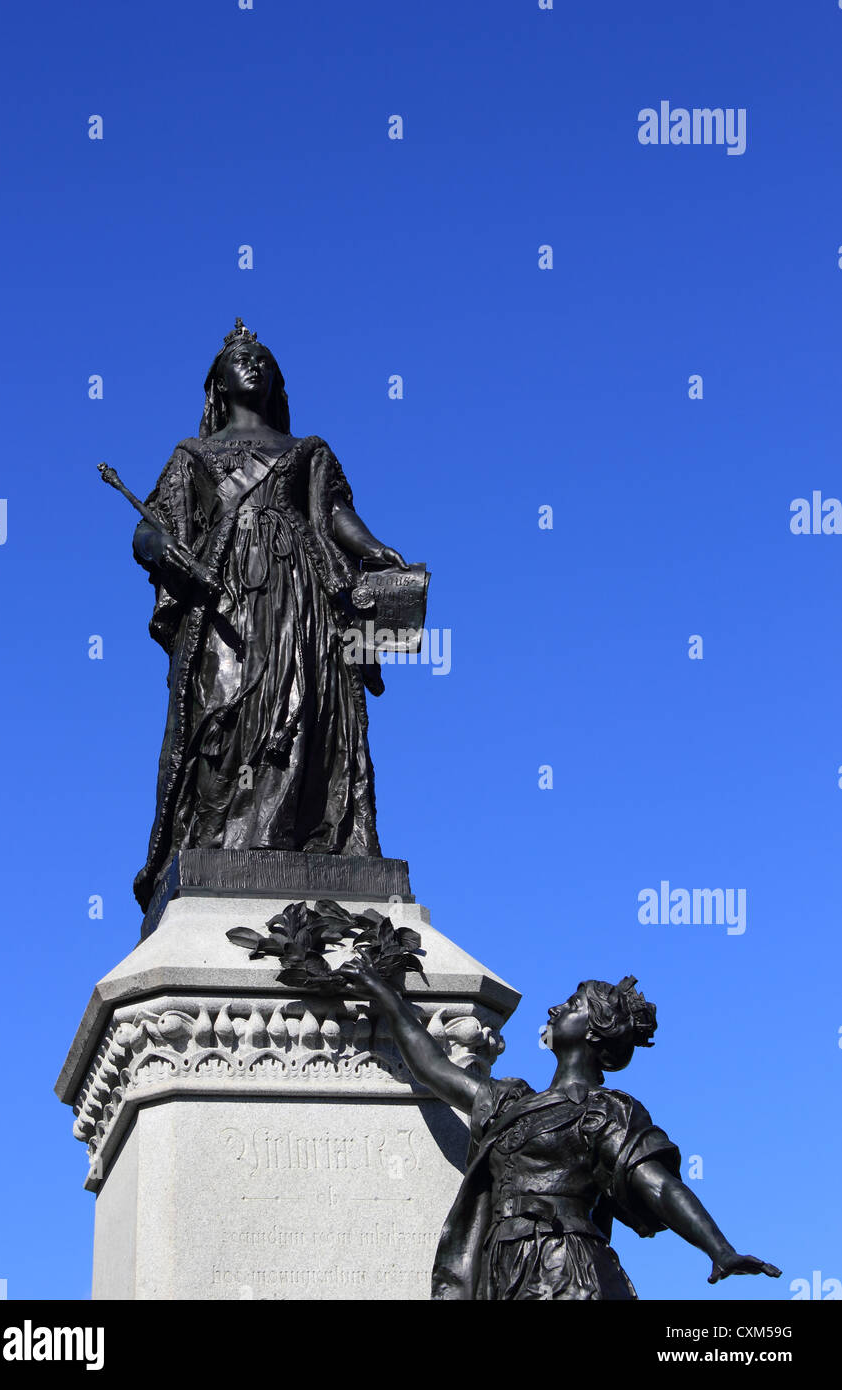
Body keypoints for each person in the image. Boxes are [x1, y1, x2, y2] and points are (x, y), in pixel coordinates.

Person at [132, 320, 407, 911]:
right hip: (227, 600)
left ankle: (303, 838)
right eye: (241, 359)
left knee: (306, 708)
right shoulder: (192, 455)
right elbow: (149, 528)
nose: (254, 364)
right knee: (223, 716)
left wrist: (372, 549)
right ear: (218, 383)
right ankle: (217, 839)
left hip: (300, 593)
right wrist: (165, 549)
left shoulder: (308, 451)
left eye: (264, 359)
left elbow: (332, 513)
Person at [340, 962, 781, 1300]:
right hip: (501, 1265)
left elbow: (659, 1187)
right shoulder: (511, 1100)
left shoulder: (606, 1110)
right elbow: (433, 1069)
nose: (555, 1009)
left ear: (594, 1032)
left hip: (564, 1262)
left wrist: (718, 1248)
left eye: (571, 1005)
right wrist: (386, 996)